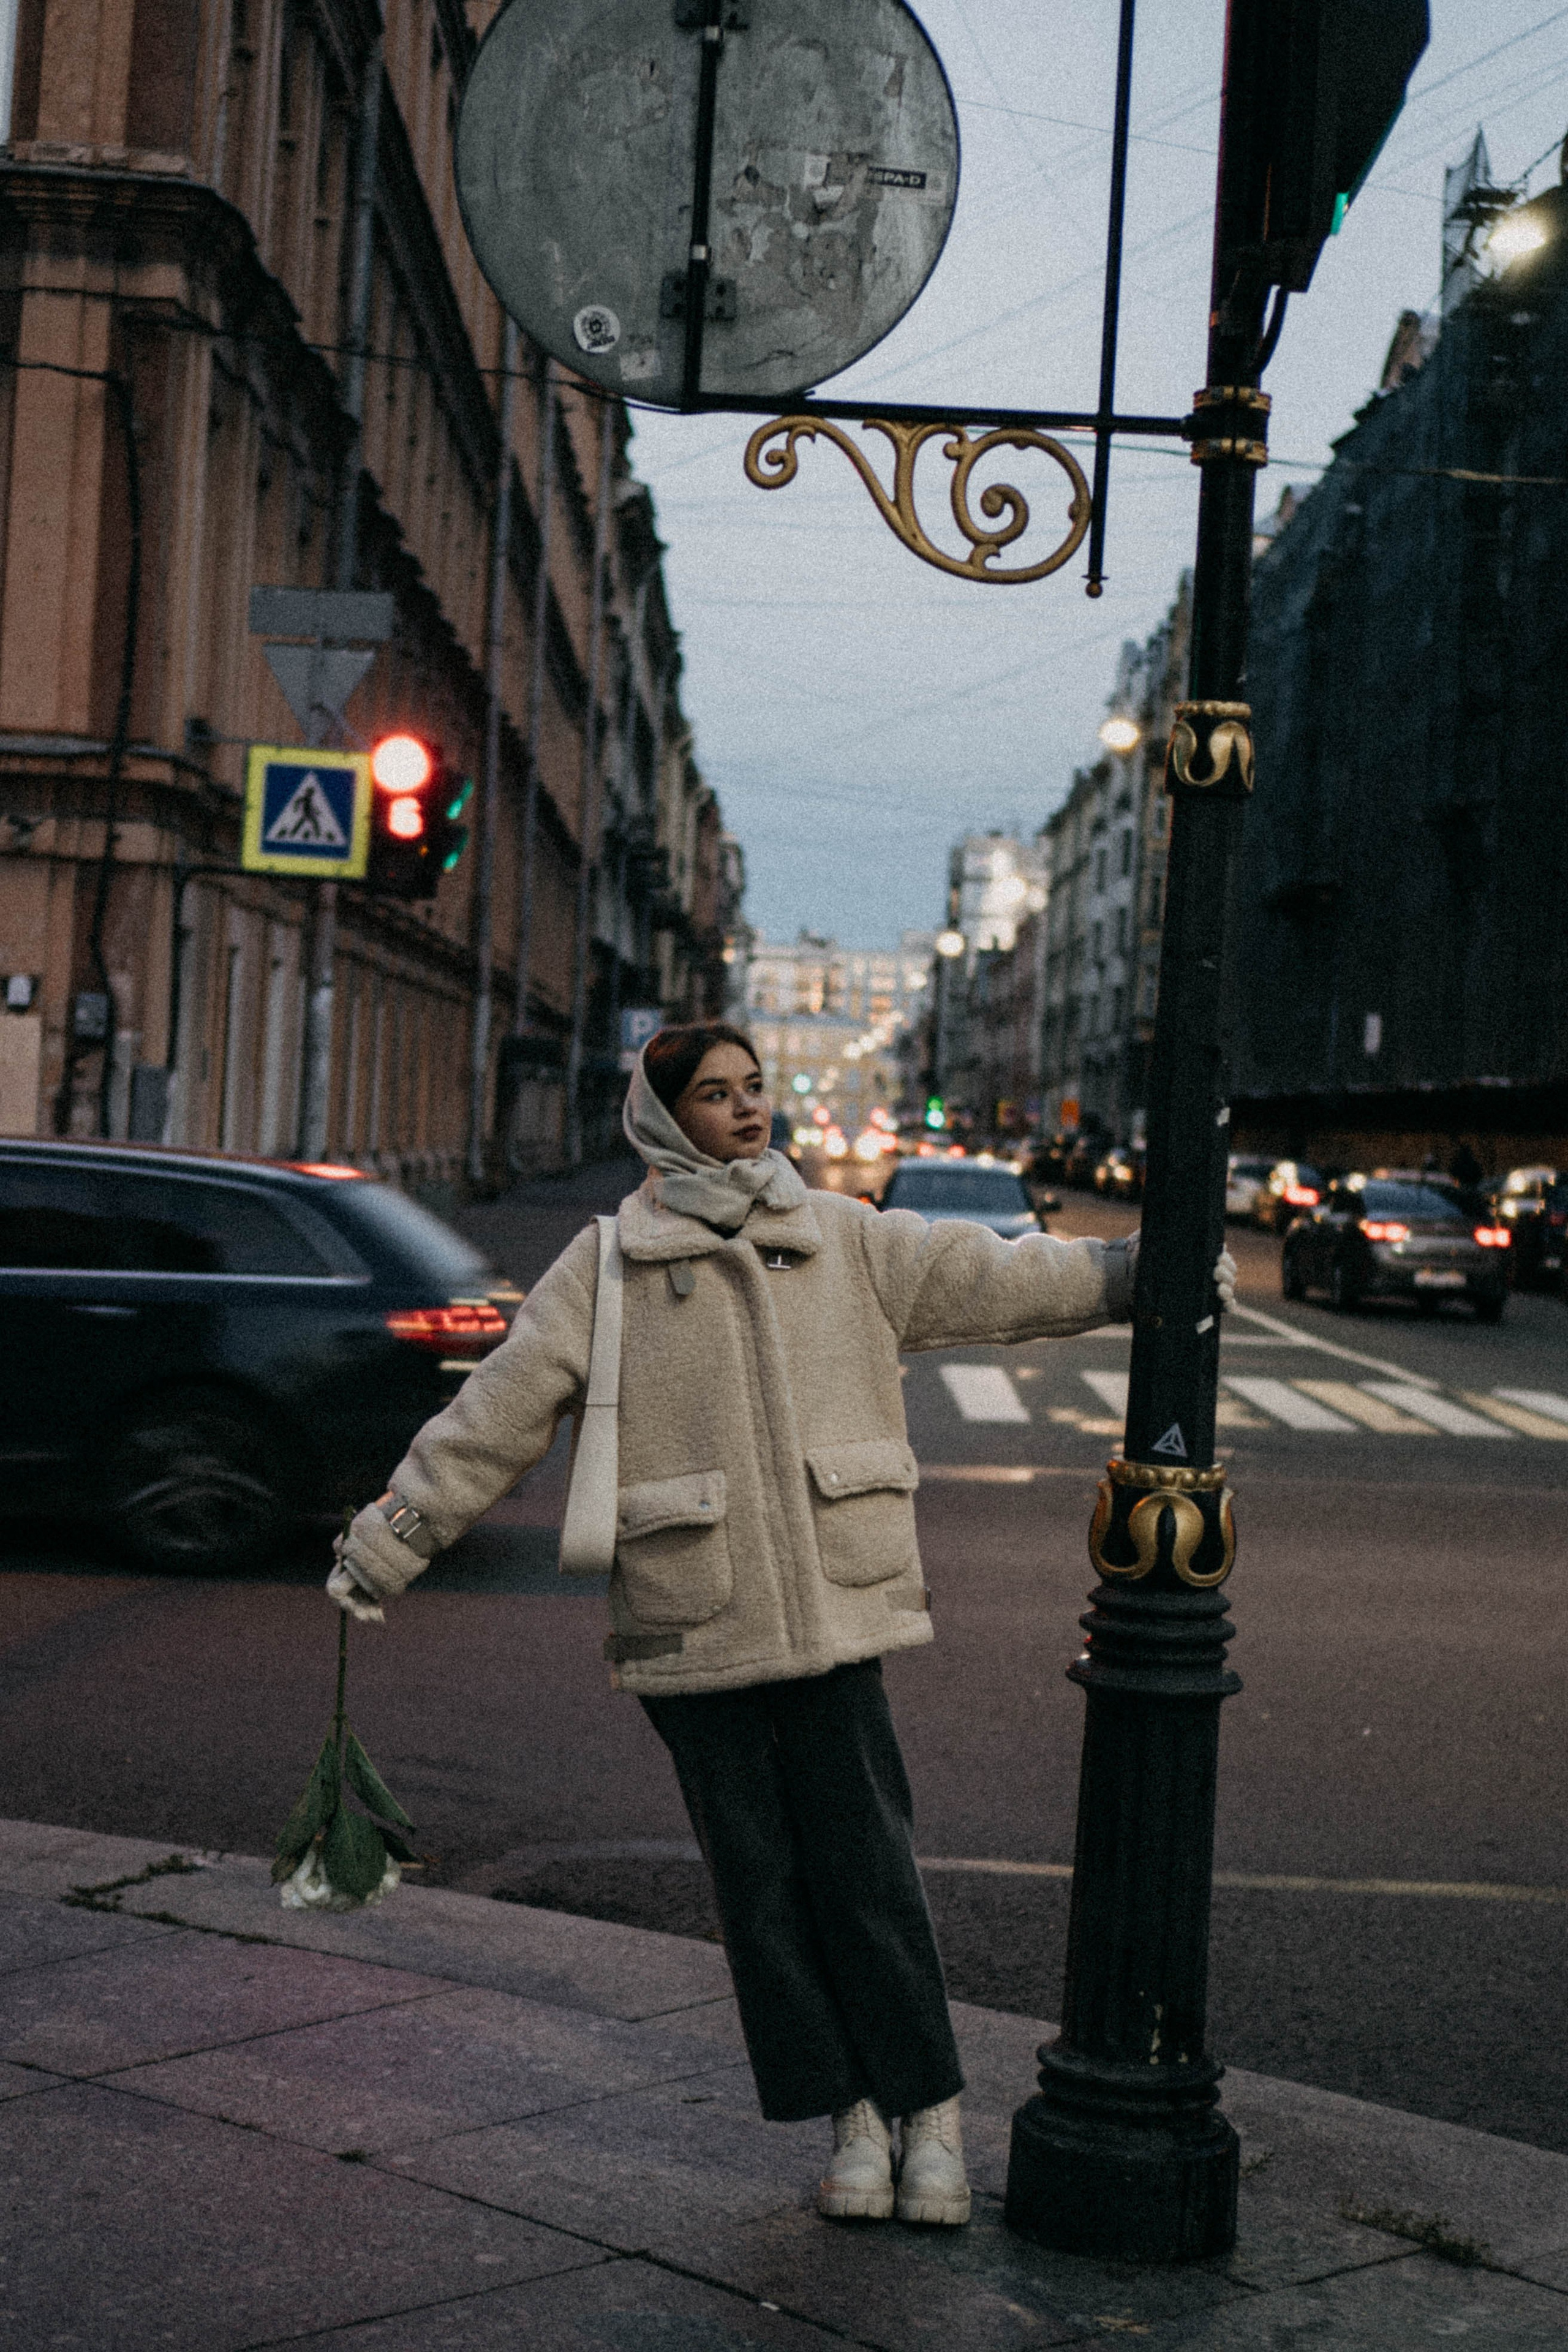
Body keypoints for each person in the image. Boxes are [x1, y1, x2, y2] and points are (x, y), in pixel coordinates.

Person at [328, 1022, 1237, 2228]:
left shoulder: (841, 1238)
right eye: (715, 1095)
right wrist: (392, 1537)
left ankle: (930, 2122)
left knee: (866, 1873)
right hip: (689, 1615)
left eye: (755, 1089)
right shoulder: (605, 1268)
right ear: (661, 1120)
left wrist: (1143, 1275)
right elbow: (496, 1411)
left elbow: (1002, 1279)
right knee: (759, 1891)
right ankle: (850, 2122)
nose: (748, 1110)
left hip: (830, 1607)